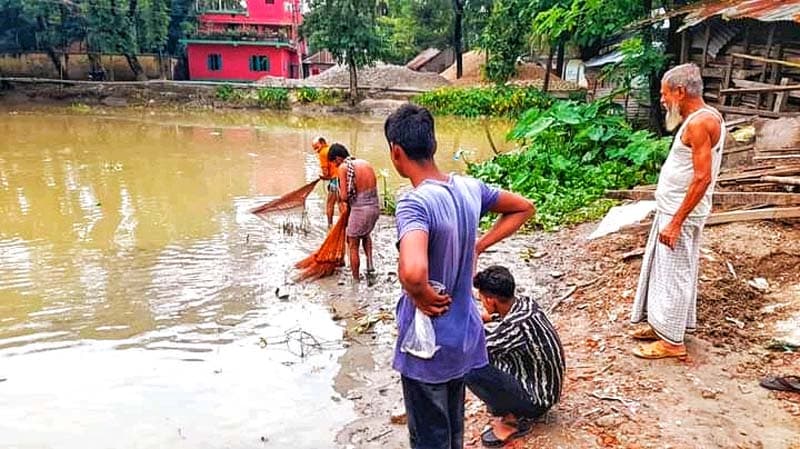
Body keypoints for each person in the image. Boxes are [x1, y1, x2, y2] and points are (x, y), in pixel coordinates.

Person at [386, 104, 534, 449]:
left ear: (396, 152)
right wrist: (478, 245)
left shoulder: (415, 203)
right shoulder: (469, 188)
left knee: (430, 437)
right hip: (463, 337)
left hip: (427, 345)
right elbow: (523, 207)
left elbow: (413, 271)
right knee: (453, 429)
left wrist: (418, 291)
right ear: (433, 144)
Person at [630, 63, 726, 359]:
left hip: (679, 215)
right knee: (664, 271)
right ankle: (663, 325)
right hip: (673, 210)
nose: (662, 99)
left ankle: (672, 342)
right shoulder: (703, 118)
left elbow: (702, 178)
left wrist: (676, 222)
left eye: (665, 93)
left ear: (680, 92)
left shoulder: (700, 123)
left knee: (674, 274)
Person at [467, 266, 565, 448]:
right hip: (546, 386)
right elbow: (500, 322)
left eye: (482, 300)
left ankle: (513, 420)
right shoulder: (526, 304)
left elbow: (475, 348)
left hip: (537, 400)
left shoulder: (513, 328)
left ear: (490, 301)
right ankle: (511, 408)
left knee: (469, 368)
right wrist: (487, 318)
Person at [328, 143, 380, 281]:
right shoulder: (364, 163)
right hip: (374, 208)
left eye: (334, 163)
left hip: (361, 210)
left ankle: (356, 280)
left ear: (338, 158)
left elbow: (345, 197)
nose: (335, 166)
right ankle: (370, 266)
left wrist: (339, 193)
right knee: (366, 234)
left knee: (353, 244)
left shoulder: (344, 167)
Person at [312, 136, 340, 227]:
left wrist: (323, 177)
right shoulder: (332, 149)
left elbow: (326, 172)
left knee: (330, 204)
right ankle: (344, 224)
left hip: (335, 180)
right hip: (343, 178)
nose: (317, 151)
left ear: (323, 143)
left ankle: (330, 225)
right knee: (342, 202)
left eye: (317, 147)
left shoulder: (323, 153)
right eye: (315, 149)